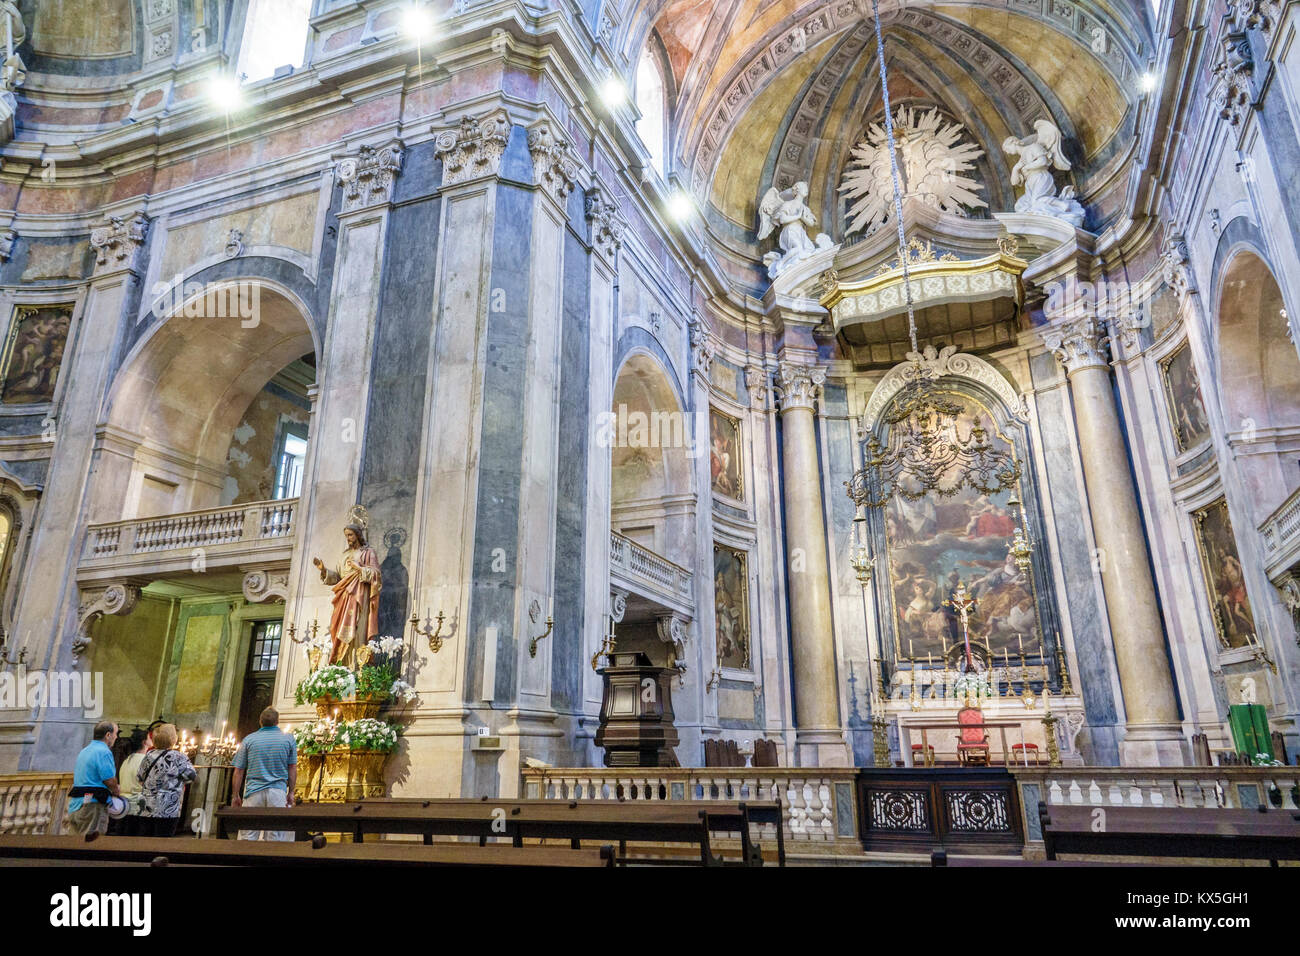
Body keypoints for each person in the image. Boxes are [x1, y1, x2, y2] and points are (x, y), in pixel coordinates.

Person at [312, 515, 381, 666]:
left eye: (350, 535)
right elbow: (338, 577)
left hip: (359, 596)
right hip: (344, 597)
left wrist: (359, 569)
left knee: (357, 630)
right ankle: (341, 665)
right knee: (336, 628)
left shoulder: (368, 552)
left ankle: (356, 666)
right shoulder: (345, 555)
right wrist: (323, 571)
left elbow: (376, 574)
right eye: (346, 536)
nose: (348, 538)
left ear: (358, 535)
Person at [231, 706, 298, 841]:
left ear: (260, 721)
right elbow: (292, 768)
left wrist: (235, 795)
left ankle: (246, 861)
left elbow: (238, 771)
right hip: (277, 792)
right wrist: (291, 792)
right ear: (277, 722)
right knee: (276, 835)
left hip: (253, 792)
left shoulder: (249, 740)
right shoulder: (288, 739)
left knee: (247, 835)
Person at [137, 723, 196, 837]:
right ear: (173, 739)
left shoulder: (149, 755)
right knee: (163, 839)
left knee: (145, 840)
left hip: (146, 806)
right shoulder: (178, 757)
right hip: (168, 807)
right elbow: (192, 776)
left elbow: (140, 777)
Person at [65, 720, 121, 836]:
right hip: (93, 805)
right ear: (108, 735)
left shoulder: (85, 750)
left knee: (74, 844)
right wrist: (116, 790)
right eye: (115, 733)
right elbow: (109, 780)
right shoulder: (103, 752)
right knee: (92, 844)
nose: (116, 737)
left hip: (76, 803)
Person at [110, 728, 148, 836]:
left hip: (123, 805)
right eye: (150, 738)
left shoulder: (127, 759)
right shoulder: (145, 760)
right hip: (137, 807)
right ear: (144, 742)